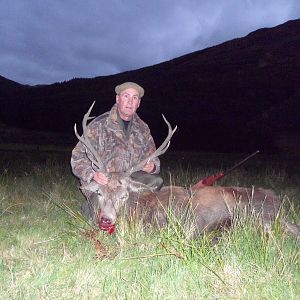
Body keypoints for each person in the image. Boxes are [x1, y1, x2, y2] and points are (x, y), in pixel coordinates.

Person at [71, 81, 164, 201]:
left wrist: (152, 167)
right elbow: (77, 158)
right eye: (126, 96)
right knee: (100, 213)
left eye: (134, 98)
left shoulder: (143, 129)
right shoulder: (98, 125)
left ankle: (131, 207)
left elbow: (154, 159)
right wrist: (92, 174)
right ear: (117, 99)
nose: (130, 101)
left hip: (127, 181)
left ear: (138, 103)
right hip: (104, 181)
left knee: (156, 181)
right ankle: (94, 208)